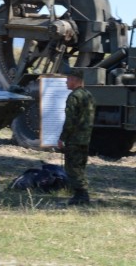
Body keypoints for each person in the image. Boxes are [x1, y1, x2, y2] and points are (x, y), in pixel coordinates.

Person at [57, 69, 95, 205]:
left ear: (74, 79)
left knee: (72, 167)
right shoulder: (88, 95)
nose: (66, 82)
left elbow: (70, 120)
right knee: (80, 166)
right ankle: (80, 194)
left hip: (74, 138)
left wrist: (62, 138)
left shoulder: (74, 96)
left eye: (68, 79)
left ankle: (81, 195)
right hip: (85, 138)